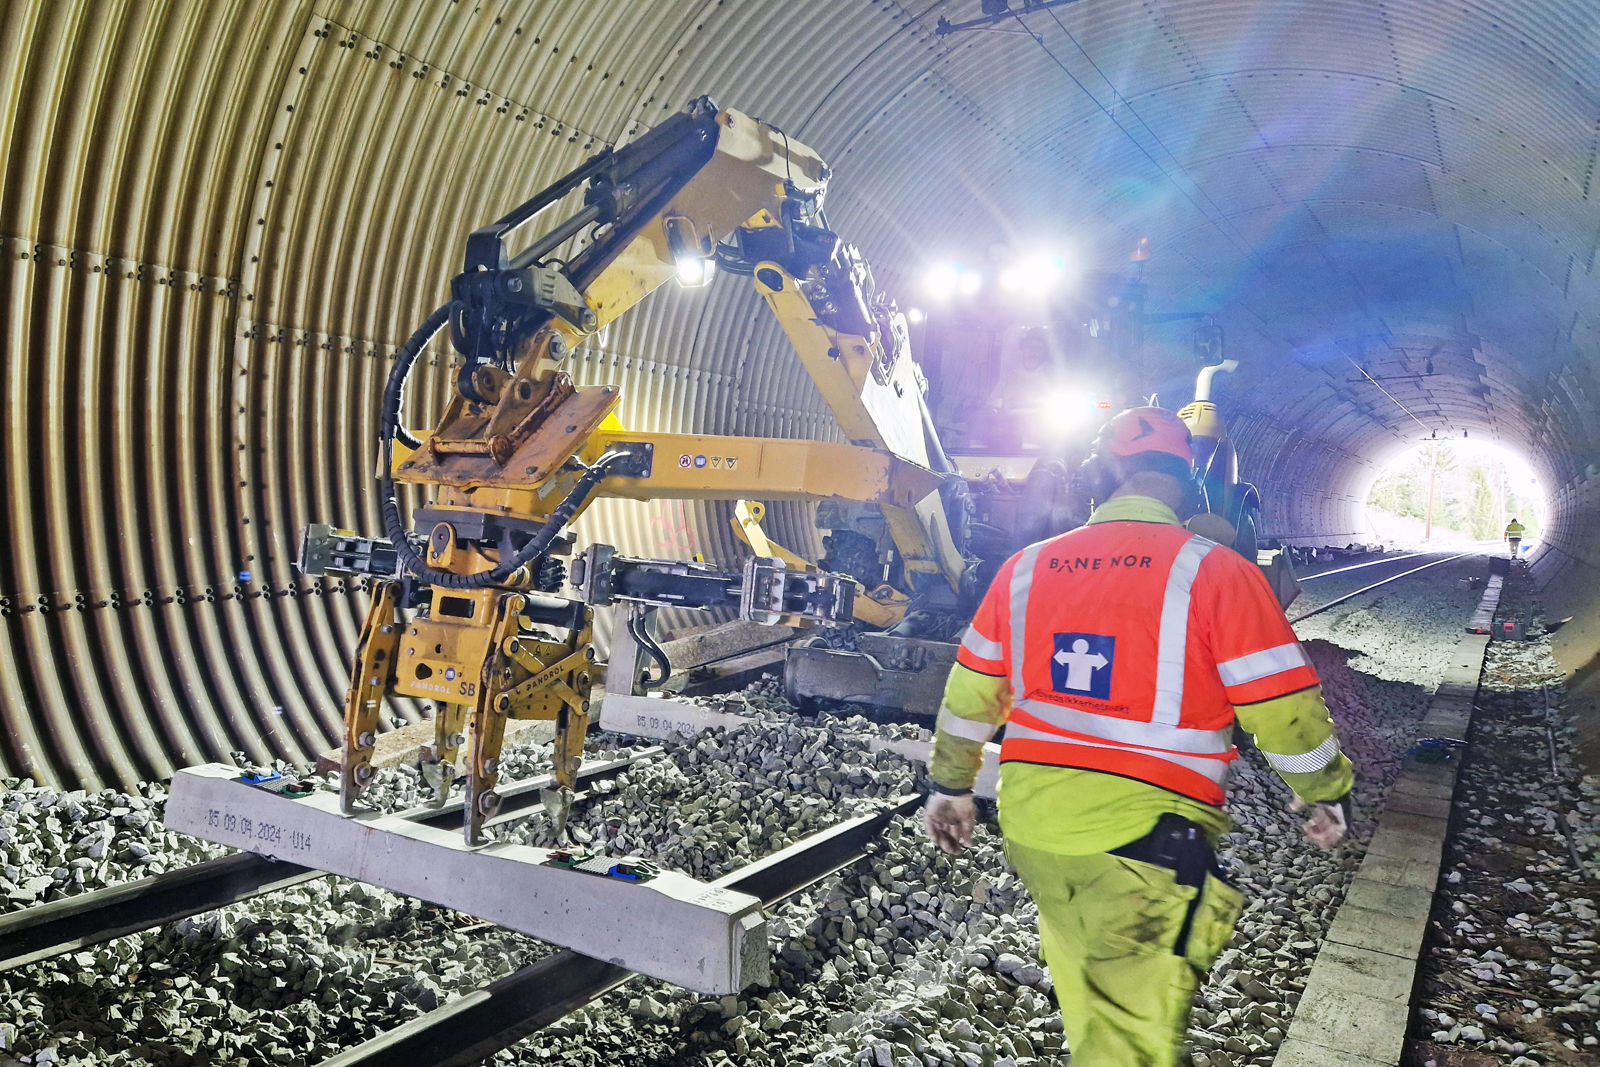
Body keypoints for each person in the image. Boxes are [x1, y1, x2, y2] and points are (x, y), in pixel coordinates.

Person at [923, 406, 1355, 1067]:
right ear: (1190, 484)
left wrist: (951, 787)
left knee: (1091, 994)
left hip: (1037, 828)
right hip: (1144, 845)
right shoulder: (1217, 573)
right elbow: (1283, 709)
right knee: (1129, 1043)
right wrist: (1323, 792)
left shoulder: (1026, 568)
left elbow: (970, 695)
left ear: (1102, 474)